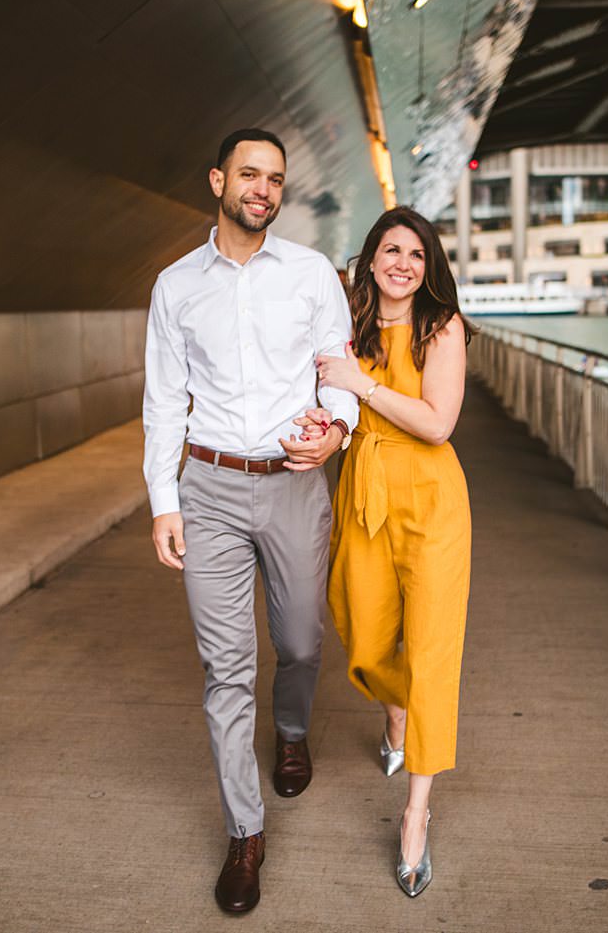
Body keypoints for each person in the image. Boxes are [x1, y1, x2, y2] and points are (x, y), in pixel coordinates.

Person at [141, 128, 359, 914]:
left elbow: (339, 373)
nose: (262, 188)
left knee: (300, 640)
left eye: (274, 177)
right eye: (248, 174)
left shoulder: (308, 275)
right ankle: (245, 830)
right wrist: (164, 500)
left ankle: (292, 727)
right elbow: (164, 399)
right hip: (209, 487)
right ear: (217, 181)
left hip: (295, 484)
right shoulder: (175, 286)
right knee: (226, 667)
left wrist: (336, 428)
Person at [305, 205, 474, 898]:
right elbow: (336, 402)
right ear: (370, 259)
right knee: (365, 640)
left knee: (431, 653)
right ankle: (396, 710)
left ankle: (415, 813)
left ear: (429, 266)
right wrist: (326, 422)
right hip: (365, 492)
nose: (403, 262)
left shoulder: (442, 327)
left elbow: (438, 423)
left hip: (433, 503)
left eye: (416, 253)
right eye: (391, 250)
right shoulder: (352, 326)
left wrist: (363, 385)